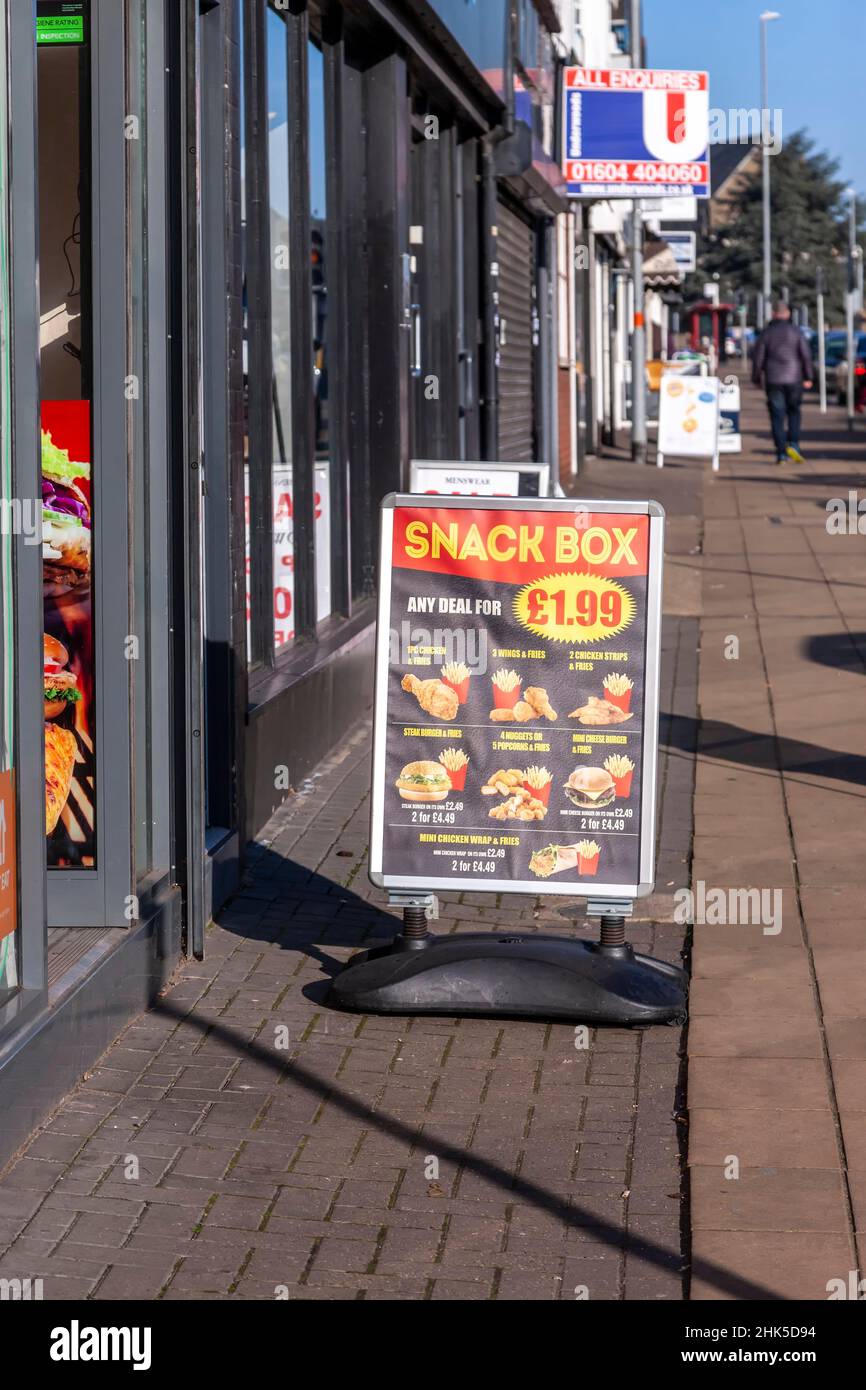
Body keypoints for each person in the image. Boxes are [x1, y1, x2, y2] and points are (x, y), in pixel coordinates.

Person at [752, 302, 813, 463]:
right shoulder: (797, 332)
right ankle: (793, 444)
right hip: (794, 379)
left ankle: (781, 452)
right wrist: (808, 377)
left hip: (773, 379)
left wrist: (757, 379)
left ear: (774, 314)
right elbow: (805, 356)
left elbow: (758, 359)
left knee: (777, 416)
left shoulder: (767, 333)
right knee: (794, 412)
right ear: (788, 314)